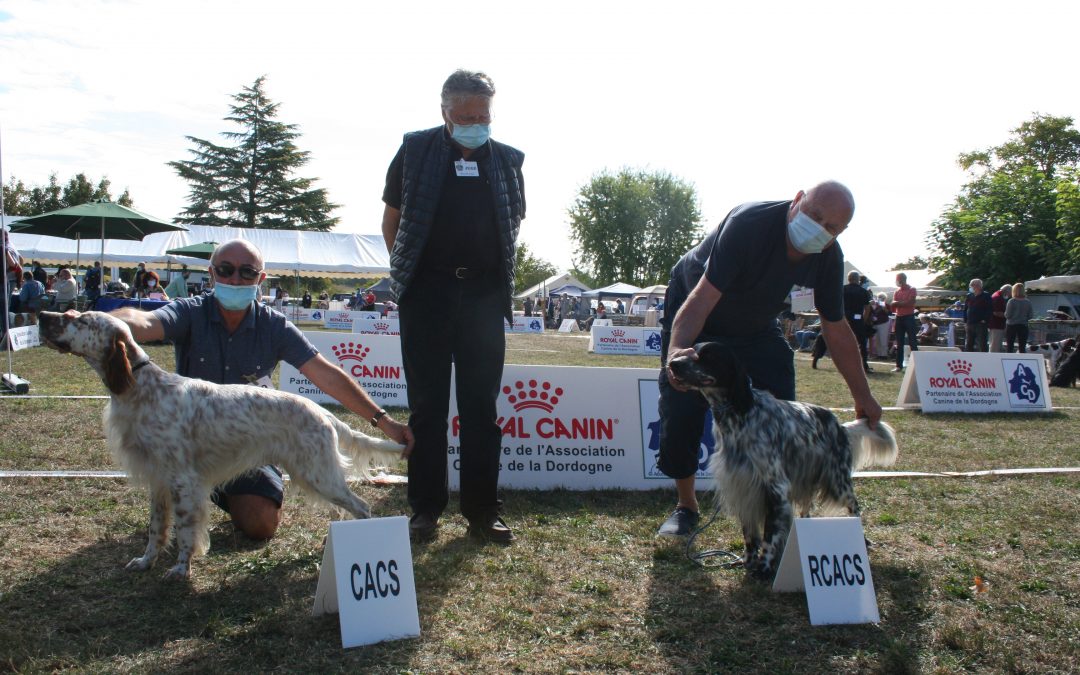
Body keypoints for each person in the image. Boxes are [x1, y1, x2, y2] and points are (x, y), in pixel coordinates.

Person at [109, 239, 413, 540]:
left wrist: (384, 422)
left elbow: (327, 376)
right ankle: (195, 494)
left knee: (260, 524)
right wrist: (103, 322)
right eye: (226, 270)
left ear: (261, 279)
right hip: (191, 447)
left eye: (247, 272)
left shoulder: (274, 326)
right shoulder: (189, 312)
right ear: (212, 274)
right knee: (177, 476)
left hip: (249, 448)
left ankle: (218, 494)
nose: (235, 279)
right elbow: (144, 321)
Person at [656, 181, 882, 538]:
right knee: (680, 402)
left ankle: (780, 512)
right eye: (814, 216)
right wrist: (677, 352)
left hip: (758, 324)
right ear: (796, 201)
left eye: (832, 227)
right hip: (698, 308)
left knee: (784, 411)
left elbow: (835, 330)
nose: (819, 229)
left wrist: (862, 395)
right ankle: (686, 507)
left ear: (841, 233)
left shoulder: (828, 258)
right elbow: (700, 300)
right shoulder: (749, 225)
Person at [381, 69, 525, 543]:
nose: (474, 123)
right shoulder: (415, 150)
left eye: (483, 115)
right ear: (444, 112)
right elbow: (393, 221)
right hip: (427, 295)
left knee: (481, 408)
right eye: (464, 116)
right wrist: (412, 276)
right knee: (427, 407)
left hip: (484, 298)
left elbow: (513, 223)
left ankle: (483, 511)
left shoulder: (507, 160)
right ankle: (425, 508)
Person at [842, 269, 873, 372]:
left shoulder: (842, 289)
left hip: (845, 319)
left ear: (848, 279)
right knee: (861, 343)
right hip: (858, 319)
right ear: (858, 280)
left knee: (845, 342)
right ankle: (864, 365)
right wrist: (863, 320)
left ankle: (846, 364)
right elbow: (867, 308)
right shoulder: (863, 291)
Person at [891, 272, 918, 371]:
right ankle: (898, 365)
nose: (896, 281)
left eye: (897, 279)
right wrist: (902, 303)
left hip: (909, 317)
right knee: (899, 342)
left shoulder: (912, 289)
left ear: (901, 279)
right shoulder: (896, 291)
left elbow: (911, 302)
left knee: (912, 341)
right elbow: (893, 304)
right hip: (899, 318)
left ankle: (917, 364)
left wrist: (899, 303)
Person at [964, 278, 992, 352]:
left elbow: (989, 309)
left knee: (982, 343)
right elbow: (965, 309)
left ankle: (984, 359)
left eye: (972, 285)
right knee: (969, 343)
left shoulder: (986, 296)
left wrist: (985, 320)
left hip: (980, 324)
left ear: (979, 286)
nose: (971, 287)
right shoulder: (969, 296)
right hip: (970, 323)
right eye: (970, 285)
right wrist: (965, 321)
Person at [1005, 282, 1033, 353]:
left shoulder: (1011, 301)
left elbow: (1007, 315)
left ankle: (1009, 360)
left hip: (1011, 325)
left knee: (1010, 345)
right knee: (1022, 346)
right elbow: (1030, 316)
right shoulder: (1028, 302)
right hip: (1023, 325)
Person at [988, 283, 1012, 352]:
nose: (1010, 295)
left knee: (994, 344)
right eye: (1010, 293)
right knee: (995, 346)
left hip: (995, 324)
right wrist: (1008, 316)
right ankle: (993, 360)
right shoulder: (998, 297)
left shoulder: (996, 295)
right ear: (1006, 291)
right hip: (996, 325)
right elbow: (996, 312)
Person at [869, 292, 892, 358]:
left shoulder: (887, 305)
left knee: (883, 339)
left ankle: (884, 354)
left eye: (882, 297)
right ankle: (879, 354)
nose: (881, 298)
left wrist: (884, 308)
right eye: (880, 297)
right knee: (877, 339)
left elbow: (889, 313)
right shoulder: (874, 304)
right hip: (875, 323)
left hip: (884, 323)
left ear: (885, 298)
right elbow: (871, 312)